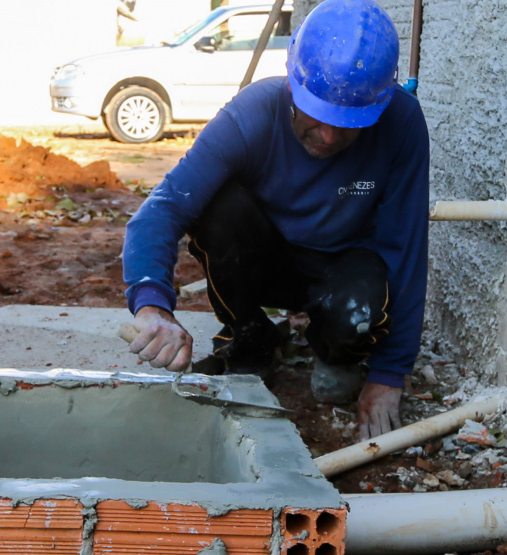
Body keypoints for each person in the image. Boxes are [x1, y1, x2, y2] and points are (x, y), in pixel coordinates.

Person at [121, 0, 430, 441]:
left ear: (379, 104)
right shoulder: (251, 115)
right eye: (318, 114)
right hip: (265, 261)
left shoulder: (402, 122)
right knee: (218, 209)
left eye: (348, 123)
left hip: (342, 266)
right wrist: (153, 308)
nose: (327, 136)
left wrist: (389, 375)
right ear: (292, 80)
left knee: (360, 312)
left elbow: (406, 246)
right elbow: (163, 209)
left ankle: (334, 348)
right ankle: (251, 338)